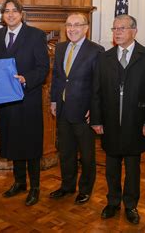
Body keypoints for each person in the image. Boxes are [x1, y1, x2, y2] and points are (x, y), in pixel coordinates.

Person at [91, 14, 145, 224]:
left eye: (121, 28)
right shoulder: (104, 57)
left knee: (132, 168)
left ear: (134, 31)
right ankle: (112, 202)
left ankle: (131, 205)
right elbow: (96, 92)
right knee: (111, 167)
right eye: (114, 29)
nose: (117, 32)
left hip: (136, 124)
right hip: (110, 123)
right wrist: (96, 120)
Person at [0, 0, 50, 206]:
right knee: (13, 142)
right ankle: (19, 182)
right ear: (3, 15)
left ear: (21, 13)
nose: (11, 14)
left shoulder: (35, 35)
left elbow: (43, 68)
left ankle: (35, 187)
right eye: (6, 11)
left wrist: (27, 79)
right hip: (7, 102)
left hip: (28, 99)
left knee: (31, 145)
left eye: (14, 10)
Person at [49, 13, 104, 205]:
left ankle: (85, 189)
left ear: (86, 28)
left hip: (84, 112)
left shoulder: (96, 50)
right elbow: (57, 76)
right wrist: (54, 101)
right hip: (63, 109)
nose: (72, 29)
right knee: (66, 152)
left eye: (77, 25)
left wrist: (94, 109)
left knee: (87, 155)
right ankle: (67, 186)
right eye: (69, 25)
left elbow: (99, 84)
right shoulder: (60, 47)